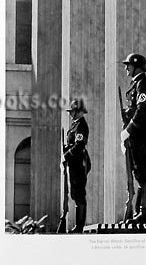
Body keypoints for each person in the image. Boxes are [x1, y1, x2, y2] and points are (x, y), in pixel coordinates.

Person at [120, 53, 146, 224]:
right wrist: (125, 137)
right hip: (134, 137)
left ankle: (145, 213)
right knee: (138, 174)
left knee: (144, 174)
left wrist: (129, 130)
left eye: (128, 65)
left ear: (136, 66)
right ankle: (139, 213)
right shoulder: (135, 85)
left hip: (142, 135)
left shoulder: (144, 84)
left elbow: (142, 110)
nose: (126, 68)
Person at [63, 98, 91, 233]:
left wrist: (66, 155)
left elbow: (79, 145)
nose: (70, 114)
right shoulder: (75, 125)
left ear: (78, 112)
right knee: (75, 193)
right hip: (74, 163)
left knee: (79, 194)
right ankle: (78, 225)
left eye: (72, 111)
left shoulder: (81, 125)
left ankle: (80, 226)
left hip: (79, 163)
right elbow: (71, 143)